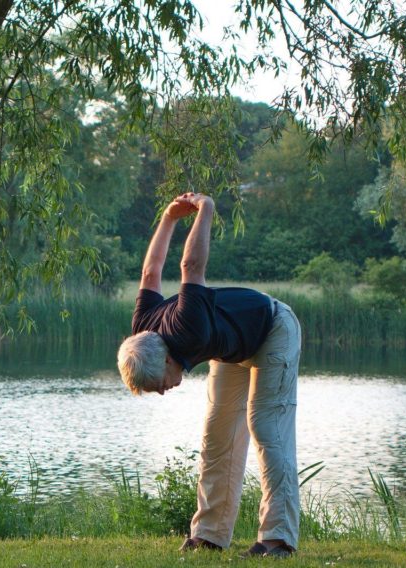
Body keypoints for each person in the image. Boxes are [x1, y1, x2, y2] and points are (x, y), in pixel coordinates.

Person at [117, 192, 302, 558]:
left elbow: (191, 266)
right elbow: (150, 272)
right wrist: (168, 218)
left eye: (159, 386)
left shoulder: (188, 329)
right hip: (232, 347)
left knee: (265, 427)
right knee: (217, 436)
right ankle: (209, 535)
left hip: (273, 329)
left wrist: (206, 210)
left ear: (168, 361)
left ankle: (278, 539)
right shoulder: (143, 329)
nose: (164, 392)